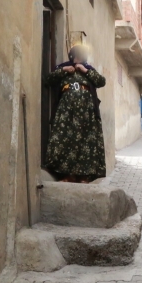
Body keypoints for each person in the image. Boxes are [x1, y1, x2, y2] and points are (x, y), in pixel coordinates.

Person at [45, 44, 106, 183]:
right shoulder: (63, 68)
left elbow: (101, 81)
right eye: (77, 56)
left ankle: (83, 177)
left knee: (86, 144)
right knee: (66, 141)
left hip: (86, 115)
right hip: (66, 114)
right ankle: (67, 175)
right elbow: (48, 80)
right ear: (72, 56)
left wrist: (85, 71)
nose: (79, 59)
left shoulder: (88, 70)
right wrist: (64, 70)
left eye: (81, 56)